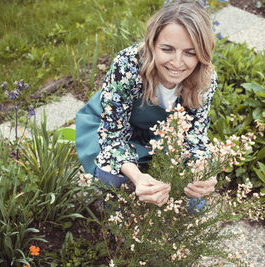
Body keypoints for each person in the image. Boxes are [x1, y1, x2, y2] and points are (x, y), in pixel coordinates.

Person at [76, 0, 217, 208]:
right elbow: (113, 135)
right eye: (167, 49)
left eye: (190, 52)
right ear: (152, 44)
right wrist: (137, 178)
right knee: (113, 179)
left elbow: (195, 134)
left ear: (202, 53)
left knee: (194, 203)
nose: (177, 63)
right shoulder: (127, 66)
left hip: (160, 137)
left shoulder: (205, 78)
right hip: (114, 127)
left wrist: (201, 171)